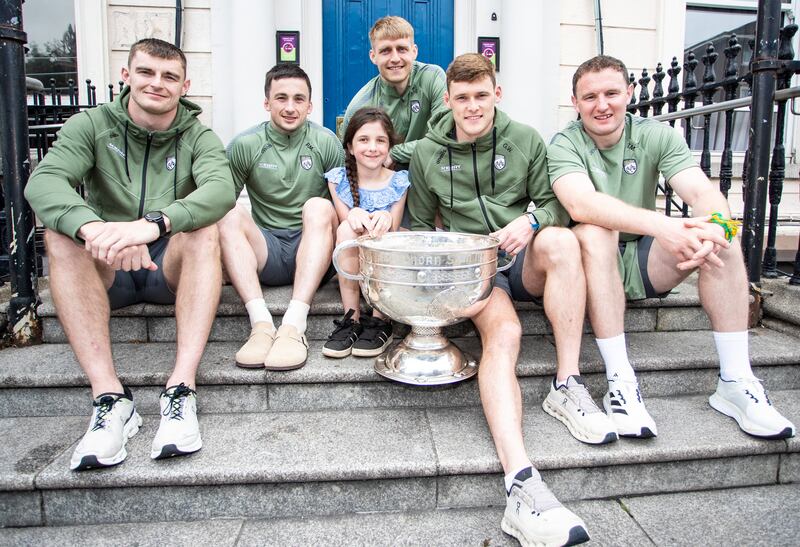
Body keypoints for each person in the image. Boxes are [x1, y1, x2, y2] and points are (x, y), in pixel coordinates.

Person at [409, 53, 609, 547]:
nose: (472, 107)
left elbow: (555, 200)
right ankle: (521, 482)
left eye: (481, 96)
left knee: (563, 242)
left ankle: (567, 381)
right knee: (507, 334)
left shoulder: (525, 139)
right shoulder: (428, 153)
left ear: (496, 93)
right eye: (462, 99)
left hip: (523, 255)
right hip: (475, 270)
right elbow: (418, 227)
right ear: (448, 100)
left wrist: (532, 220)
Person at [548, 54, 796, 440]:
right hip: (594, 262)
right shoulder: (565, 142)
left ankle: (736, 382)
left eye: (611, 93)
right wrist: (666, 225)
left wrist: (716, 228)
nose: (602, 105)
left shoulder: (654, 134)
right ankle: (620, 383)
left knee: (720, 238)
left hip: (646, 261)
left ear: (629, 93)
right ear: (575, 102)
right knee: (595, 231)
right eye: (590, 96)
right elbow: (581, 205)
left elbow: (699, 190)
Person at [24, 38, 236, 470]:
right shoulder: (91, 125)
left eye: (169, 77)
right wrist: (95, 228)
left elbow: (221, 190)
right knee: (61, 237)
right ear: (126, 76)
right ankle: (111, 399)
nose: (156, 84)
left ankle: (181, 390)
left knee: (204, 231)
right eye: (146, 72)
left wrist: (153, 224)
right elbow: (44, 182)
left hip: (167, 264)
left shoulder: (198, 135)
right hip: (106, 261)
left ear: (184, 85)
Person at [219, 64, 343, 371]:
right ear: (267, 103)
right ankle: (261, 324)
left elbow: (343, 205)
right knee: (228, 211)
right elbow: (220, 205)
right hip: (268, 251)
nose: (290, 107)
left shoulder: (326, 142)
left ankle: (293, 326)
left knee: (318, 206)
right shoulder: (245, 144)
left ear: (310, 105)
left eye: (299, 99)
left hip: (314, 250)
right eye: (281, 98)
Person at [322, 107, 409, 358]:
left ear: (389, 146)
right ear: (349, 146)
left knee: (386, 235)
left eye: (380, 140)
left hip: (385, 265)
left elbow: (394, 226)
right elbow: (343, 230)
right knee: (348, 227)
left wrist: (386, 217)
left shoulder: (399, 181)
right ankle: (352, 318)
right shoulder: (338, 179)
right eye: (363, 139)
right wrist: (352, 214)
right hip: (352, 262)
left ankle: (380, 319)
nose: (372, 147)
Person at [341, 15, 448, 168]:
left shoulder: (432, 77)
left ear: (414, 51)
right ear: (373, 56)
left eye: (402, 49)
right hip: (385, 183)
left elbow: (444, 137)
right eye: (385, 51)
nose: (395, 58)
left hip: (430, 174)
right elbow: (350, 160)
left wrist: (394, 153)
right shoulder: (361, 105)